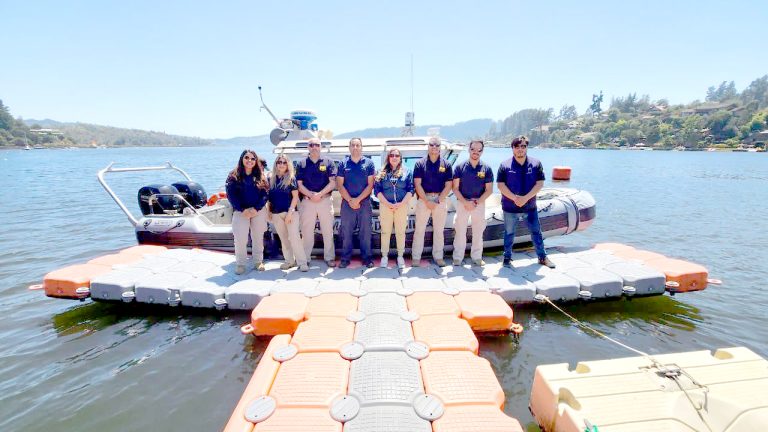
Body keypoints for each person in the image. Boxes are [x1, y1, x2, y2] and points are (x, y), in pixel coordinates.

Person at [497, 135, 555, 268]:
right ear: (512, 148)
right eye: (517, 146)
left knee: (536, 232)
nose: (520, 149)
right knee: (509, 233)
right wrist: (515, 198)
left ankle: (542, 257)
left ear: (527, 148)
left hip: (530, 207)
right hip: (510, 207)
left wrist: (525, 198)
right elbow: (500, 185)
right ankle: (507, 258)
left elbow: (539, 184)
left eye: (523, 146)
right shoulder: (504, 165)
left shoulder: (536, 163)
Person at [226, 149, 269, 274]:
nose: (249, 161)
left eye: (252, 158)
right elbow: (231, 195)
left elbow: (265, 193)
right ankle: (240, 264)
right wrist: (242, 209)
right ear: (242, 159)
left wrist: (256, 208)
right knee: (240, 238)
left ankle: (258, 261)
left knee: (258, 237)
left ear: (256, 161)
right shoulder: (233, 175)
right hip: (241, 212)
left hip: (258, 211)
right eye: (247, 158)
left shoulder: (260, 175)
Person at [296, 137, 338, 267]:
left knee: (327, 231)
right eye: (311, 145)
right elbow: (299, 184)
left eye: (317, 145)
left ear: (320, 147)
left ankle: (329, 257)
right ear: (308, 147)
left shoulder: (328, 162)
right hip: (307, 202)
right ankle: (305, 258)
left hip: (324, 201)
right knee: (306, 231)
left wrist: (320, 194)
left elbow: (332, 183)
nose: (314, 147)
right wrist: (310, 195)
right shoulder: (301, 163)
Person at [411, 136, 453, 267]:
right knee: (419, 230)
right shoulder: (420, 164)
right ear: (428, 147)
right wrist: (427, 201)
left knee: (439, 230)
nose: (434, 147)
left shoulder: (446, 164)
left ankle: (438, 257)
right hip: (424, 200)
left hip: (440, 200)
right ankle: (416, 257)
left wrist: (438, 200)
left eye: (437, 145)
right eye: (432, 145)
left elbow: (449, 185)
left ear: (440, 148)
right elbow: (417, 184)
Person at [452, 139, 494, 266]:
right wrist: (465, 202)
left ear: (482, 151)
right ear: (469, 149)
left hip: (479, 204)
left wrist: (477, 202)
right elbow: (455, 188)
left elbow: (489, 190)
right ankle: (458, 257)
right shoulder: (460, 167)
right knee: (460, 231)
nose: (476, 152)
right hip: (462, 203)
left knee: (478, 231)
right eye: (473, 149)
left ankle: (476, 257)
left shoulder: (486, 168)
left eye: (479, 150)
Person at [337, 137, 376, 268]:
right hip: (347, 203)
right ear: (349, 147)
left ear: (361, 147)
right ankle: (345, 258)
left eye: (357, 145)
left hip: (364, 203)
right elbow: (340, 185)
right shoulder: (343, 164)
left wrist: (358, 200)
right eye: (353, 145)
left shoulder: (369, 163)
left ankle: (367, 258)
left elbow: (371, 185)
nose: (355, 147)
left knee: (365, 232)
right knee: (346, 232)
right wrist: (350, 200)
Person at [268, 154, 309, 272]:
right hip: (276, 213)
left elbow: (295, 197)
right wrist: (269, 212)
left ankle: (302, 262)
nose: (281, 164)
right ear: (276, 164)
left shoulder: (291, 178)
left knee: (295, 237)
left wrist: (290, 213)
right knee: (283, 238)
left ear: (288, 164)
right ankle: (289, 261)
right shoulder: (271, 179)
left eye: (284, 162)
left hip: (290, 212)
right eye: (279, 162)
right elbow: (270, 198)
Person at [374, 148, 413, 269]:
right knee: (385, 232)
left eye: (397, 155)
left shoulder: (407, 171)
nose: (394, 157)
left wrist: (400, 204)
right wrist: (388, 204)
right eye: (392, 155)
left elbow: (411, 190)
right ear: (388, 157)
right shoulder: (381, 171)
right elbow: (377, 191)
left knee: (400, 232)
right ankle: (384, 256)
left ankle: (400, 256)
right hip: (386, 206)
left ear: (400, 158)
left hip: (401, 206)